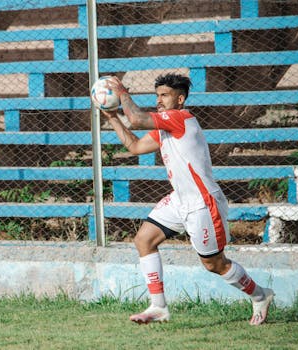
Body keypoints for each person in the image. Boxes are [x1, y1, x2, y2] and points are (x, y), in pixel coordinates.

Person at [100, 73, 274, 325]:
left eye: (165, 96)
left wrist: (122, 93)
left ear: (180, 99)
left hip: (202, 203)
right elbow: (134, 147)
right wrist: (113, 117)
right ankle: (158, 306)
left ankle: (260, 295)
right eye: (157, 95)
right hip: (180, 199)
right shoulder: (165, 126)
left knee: (215, 265)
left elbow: (137, 119)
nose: (159, 100)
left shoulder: (181, 118)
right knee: (144, 239)